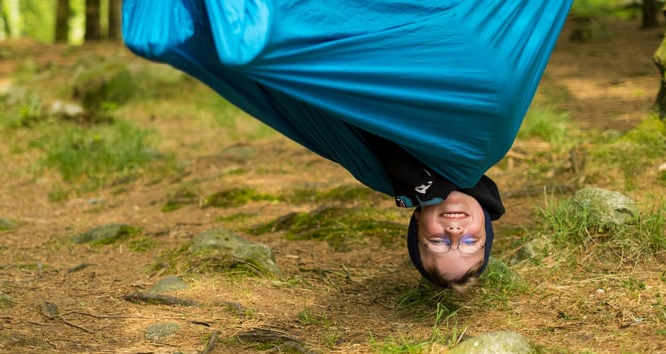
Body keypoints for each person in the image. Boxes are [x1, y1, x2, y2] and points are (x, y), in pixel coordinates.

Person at [121, 0, 572, 289]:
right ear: (487, 225)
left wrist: (261, 72)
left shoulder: (378, 172)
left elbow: (310, 114)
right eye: (471, 242)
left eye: (440, 245)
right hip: (404, 24)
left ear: (418, 230)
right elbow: (491, 76)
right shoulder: (481, 140)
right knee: (246, 39)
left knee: (163, 35)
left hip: (341, 44)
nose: (455, 233)